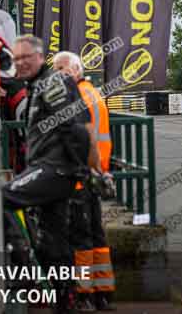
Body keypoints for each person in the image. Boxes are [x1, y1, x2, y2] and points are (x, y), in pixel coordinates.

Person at [1, 36, 91, 314]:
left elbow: (75, 128)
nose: (21, 63)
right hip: (51, 169)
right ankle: (66, 301)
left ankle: (23, 278)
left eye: (26, 57)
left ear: (41, 57)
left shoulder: (52, 82)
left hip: (55, 170)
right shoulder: (36, 85)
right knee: (53, 243)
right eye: (16, 59)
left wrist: (80, 170)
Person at [54, 52, 116, 311]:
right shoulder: (93, 93)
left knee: (81, 238)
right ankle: (104, 292)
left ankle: (84, 294)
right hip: (96, 176)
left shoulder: (76, 97)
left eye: (61, 68)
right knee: (96, 235)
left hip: (80, 177)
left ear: (76, 69)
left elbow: (81, 139)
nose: (57, 73)